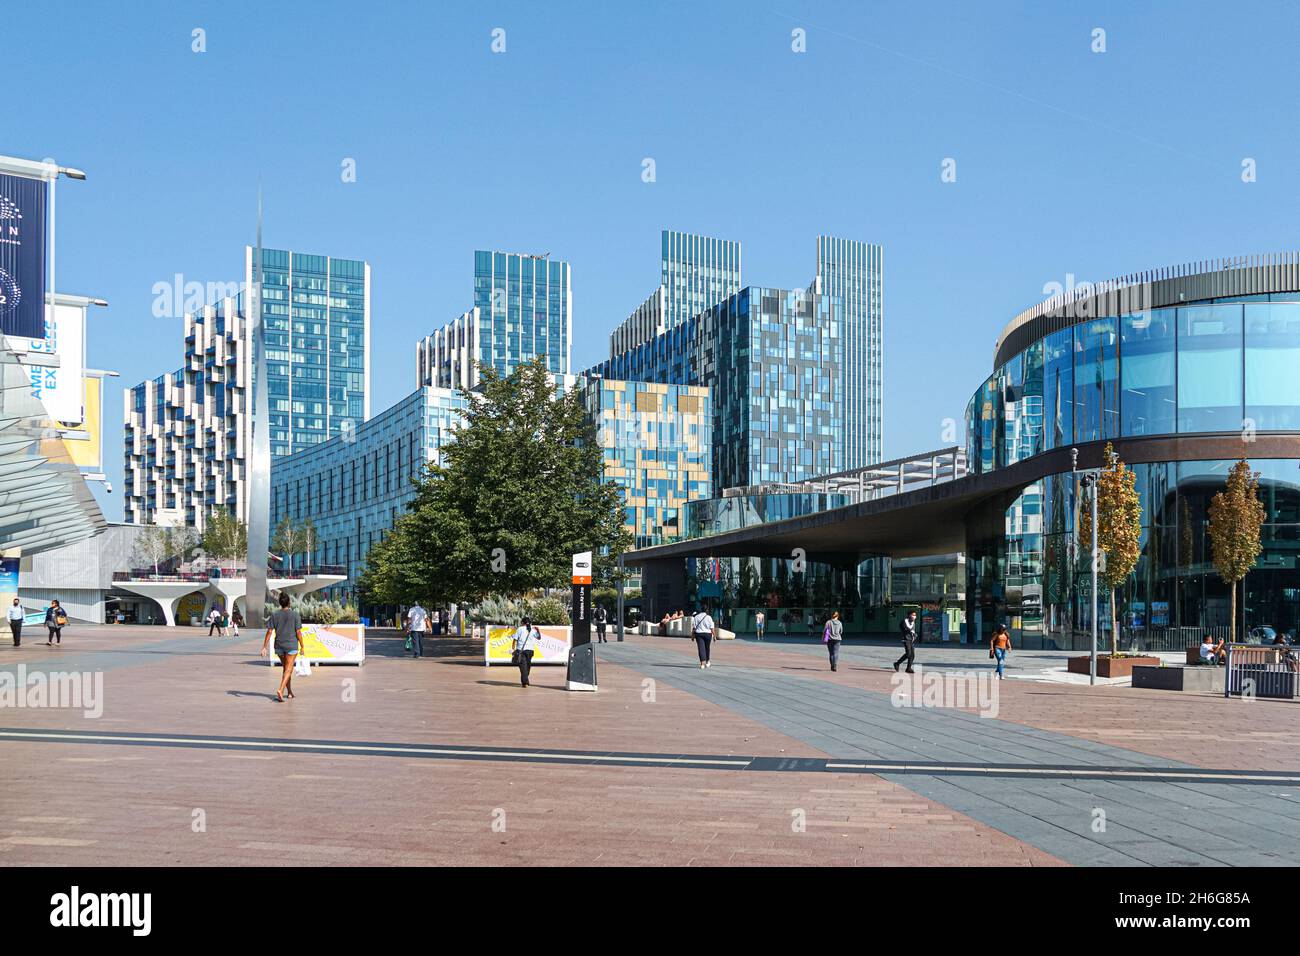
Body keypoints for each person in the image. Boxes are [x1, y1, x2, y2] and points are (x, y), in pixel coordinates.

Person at [261, 592, 305, 702]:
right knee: (289, 669)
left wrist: (264, 647)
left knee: (286, 669)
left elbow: (269, 631)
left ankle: (289, 692)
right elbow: (298, 632)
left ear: (280, 603)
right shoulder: (295, 615)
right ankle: (280, 690)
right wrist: (302, 646)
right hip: (291, 645)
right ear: (289, 602)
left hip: (279, 645)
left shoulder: (275, 615)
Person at [512, 616, 540, 687]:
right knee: (527, 666)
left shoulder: (519, 629)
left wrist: (513, 649)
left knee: (523, 667)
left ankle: (525, 682)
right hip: (530, 651)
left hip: (521, 650)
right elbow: (539, 637)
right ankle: (525, 679)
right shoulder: (533, 630)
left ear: (522, 622)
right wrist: (538, 630)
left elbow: (515, 639)